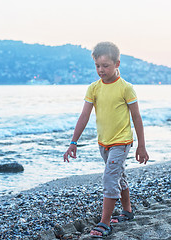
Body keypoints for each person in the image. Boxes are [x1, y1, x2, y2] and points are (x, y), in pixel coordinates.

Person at [63, 41, 149, 238]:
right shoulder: (94, 88)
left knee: (110, 177)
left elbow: (136, 117)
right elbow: (84, 116)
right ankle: (127, 211)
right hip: (104, 143)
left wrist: (141, 146)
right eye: (97, 66)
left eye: (105, 66)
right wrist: (73, 142)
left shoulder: (126, 88)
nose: (101, 70)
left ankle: (105, 222)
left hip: (122, 141)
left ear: (117, 64)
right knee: (119, 176)